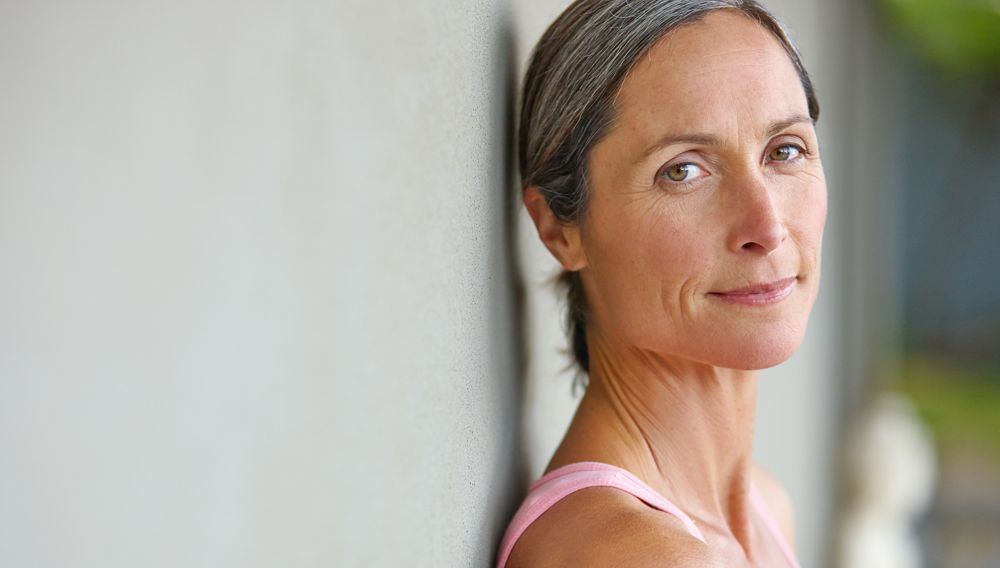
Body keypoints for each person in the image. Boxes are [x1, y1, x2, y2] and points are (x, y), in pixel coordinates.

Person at [497, 1, 826, 566]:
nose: (767, 228)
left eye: (785, 151)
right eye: (683, 170)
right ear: (558, 226)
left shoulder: (766, 510)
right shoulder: (641, 555)